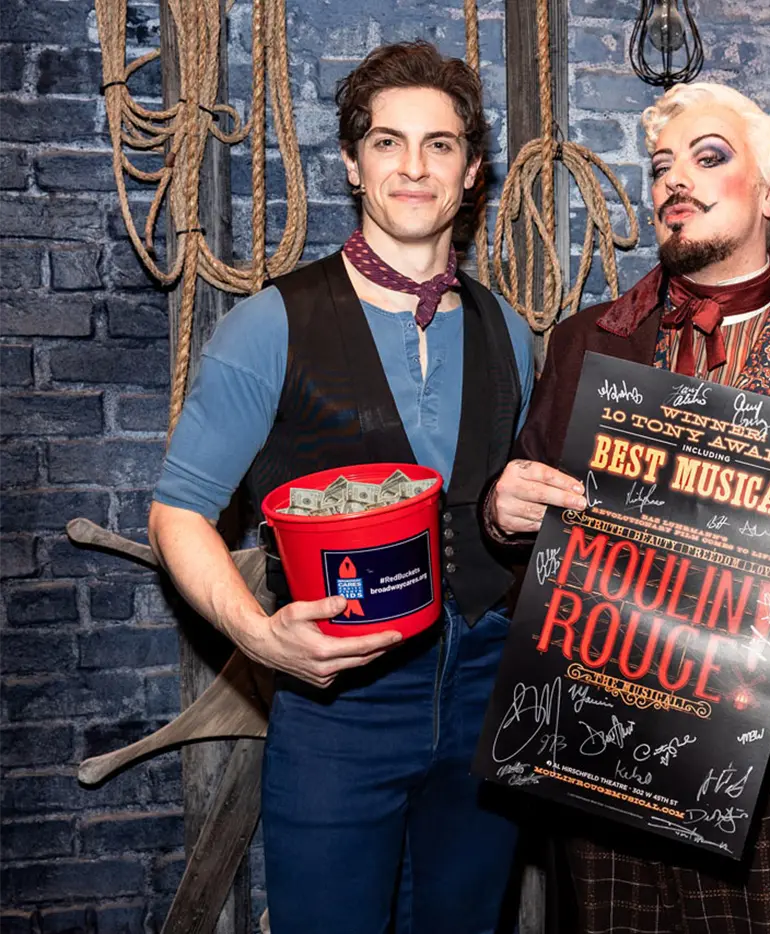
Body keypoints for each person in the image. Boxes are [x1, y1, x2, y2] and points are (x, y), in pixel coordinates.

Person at [485, 81, 770, 933]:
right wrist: (502, 512)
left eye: (708, 158)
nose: (673, 182)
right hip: (599, 722)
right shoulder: (584, 345)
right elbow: (519, 532)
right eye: (659, 167)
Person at [146, 40, 533, 934]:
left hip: (484, 686)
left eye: (440, 145)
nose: (413, 166)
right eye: (388, 142)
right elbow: (178, 511)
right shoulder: (267, 324)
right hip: (342, 703)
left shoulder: (509, 330)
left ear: (472, 173)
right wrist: (258, 637)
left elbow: (502, 509)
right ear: (355, 165)